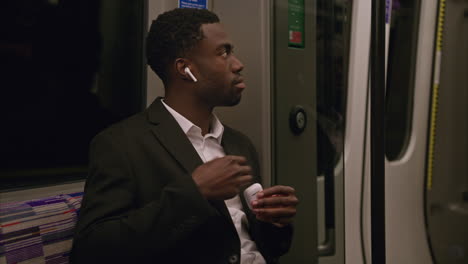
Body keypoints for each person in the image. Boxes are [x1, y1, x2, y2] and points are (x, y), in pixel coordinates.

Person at [71, 8, 298, 264]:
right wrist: (194, 192)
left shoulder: (238, 143)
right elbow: (92, 250)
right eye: (223, 52)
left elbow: (264, 245)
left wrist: (275, 222)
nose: (238, 64)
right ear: (185, 68)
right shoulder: (121, 143)